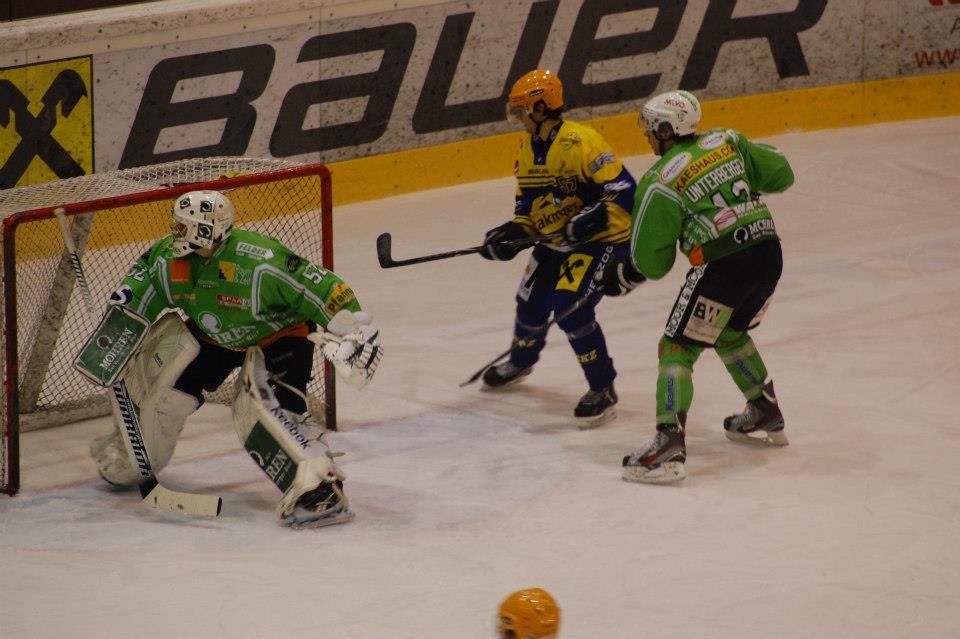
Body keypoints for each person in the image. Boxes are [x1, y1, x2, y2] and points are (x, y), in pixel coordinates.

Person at [89, 189, 382, 527]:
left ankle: (319, 489)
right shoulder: (168, 260)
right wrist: (117, 333)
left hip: (279, 335)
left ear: (206, 230)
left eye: (183, 227)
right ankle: (131, 449)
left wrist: (353, 330)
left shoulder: (260, 262)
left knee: (269, 410)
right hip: (212, 338)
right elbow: (138, 289)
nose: (175, 232)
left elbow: (320, 286)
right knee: (163, 394)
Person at [598, 90, 794, 483]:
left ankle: (668, 442)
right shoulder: (726, 140)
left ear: (665, 131)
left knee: (677, 348)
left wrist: (627, 270)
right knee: (727, 330)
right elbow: (781, 174)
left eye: (650, 128)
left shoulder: (659, 180)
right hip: (769, 253)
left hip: (724, 263)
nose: (646, 135)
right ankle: (764, 409)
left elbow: (653, 263)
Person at [479, 69, 636, 426]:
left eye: (520, 110)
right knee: (529, 301)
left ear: (540, 107)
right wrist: (511, 235)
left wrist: (593, 217)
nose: (517, 117)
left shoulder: (582, 142)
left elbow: (626, 191)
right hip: (554, 241)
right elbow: (527, 209)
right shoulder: (526, 148)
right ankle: (521, 361)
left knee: (570, 308)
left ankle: (602, 386)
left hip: (601, 242)